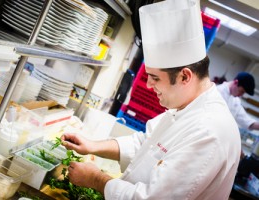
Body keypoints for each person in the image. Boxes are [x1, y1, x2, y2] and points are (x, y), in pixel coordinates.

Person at [61, 0, 241, 199]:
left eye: (155, 78)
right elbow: (146, 144)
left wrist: (95, 179)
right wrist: (93, 145)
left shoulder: (209, 132)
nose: (148, 85)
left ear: (185, 76)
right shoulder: (186, 108)